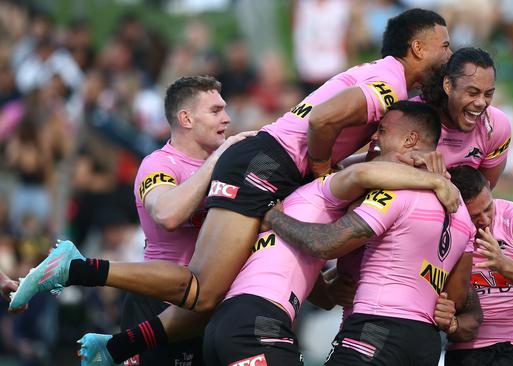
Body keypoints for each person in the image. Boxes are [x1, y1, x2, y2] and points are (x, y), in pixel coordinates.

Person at [11, 9, 454, 364]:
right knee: (202, 290)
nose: (448, 52)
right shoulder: (391, 81)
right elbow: (323, 122)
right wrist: (325, 168)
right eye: (445, 44)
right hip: (266, 166)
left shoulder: (384, 81)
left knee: (207, 297)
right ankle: (74, 269)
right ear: (417, 47)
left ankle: (116, 345)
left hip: (268, 167)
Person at [10, 76, 253, 365]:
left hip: (207, 309)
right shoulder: (159, 163)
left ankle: (82, 281)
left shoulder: (232, 164)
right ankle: (77, 270)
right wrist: (215, 162)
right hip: (157, 304)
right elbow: (168, 214)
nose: (226, 118)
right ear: (186, 118)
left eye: (224, 109)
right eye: (215, 111)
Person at [203, 101, 459, 365]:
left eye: (381, 131)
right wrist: (435, 180)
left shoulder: (305, 214)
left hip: (232, 322)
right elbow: (361, 174)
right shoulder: (327, 188)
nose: (373, 137)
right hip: (257, 322)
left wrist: (332, 289)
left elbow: (319, 293)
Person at [439, 166, 513, 366]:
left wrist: (503, 264)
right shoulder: (443, 227)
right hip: (466, 350)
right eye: (474, 216)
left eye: (488, 208)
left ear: (489, 187)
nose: (485, 220)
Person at [420, 47, 512, 189]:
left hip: (466, 207)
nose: (481, 102)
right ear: (448, 85)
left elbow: (481, 196)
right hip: (416, 203)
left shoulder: (497, 126)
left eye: (488, 94)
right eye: (472, 93)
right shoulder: (412, 118)